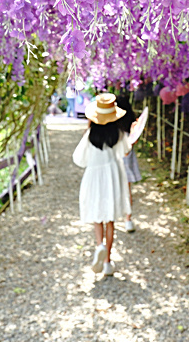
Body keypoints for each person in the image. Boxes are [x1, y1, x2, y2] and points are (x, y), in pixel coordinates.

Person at [72, 93, 132, 277]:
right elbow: (126, 152)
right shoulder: (119, 133)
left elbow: (79, 159)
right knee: (110, 219)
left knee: (97, 216)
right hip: (113, 175)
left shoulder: (90, 134)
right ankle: (107, 262)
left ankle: (99, 245)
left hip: (94, 175)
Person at [115, 94, 141, 232]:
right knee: (126, 191)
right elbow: (133, 142)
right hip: (127, 157)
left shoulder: (113, 123)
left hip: (116, 159)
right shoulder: (130, 124)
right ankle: (128, 220)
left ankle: (113, 218)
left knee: (113, 190)